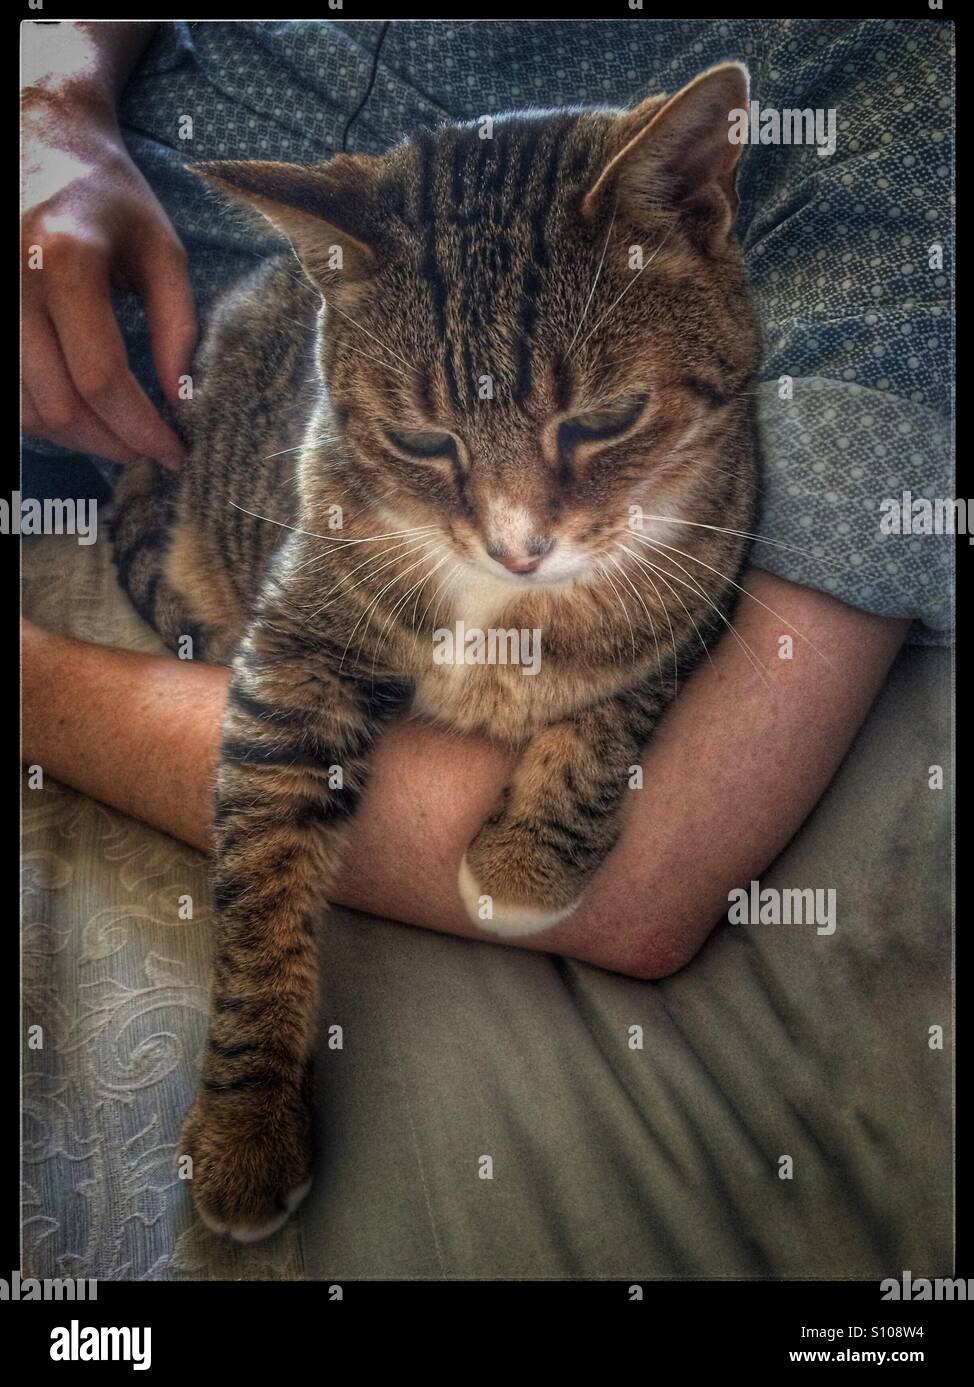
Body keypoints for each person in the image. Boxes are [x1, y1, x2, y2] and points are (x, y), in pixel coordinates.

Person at [21, 19, 949, 978]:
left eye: (600, 422)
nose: (517, 539)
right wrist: (55, 99)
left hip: (162, 481)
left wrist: (33, 686)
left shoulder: (887, 91)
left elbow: (653, 875)